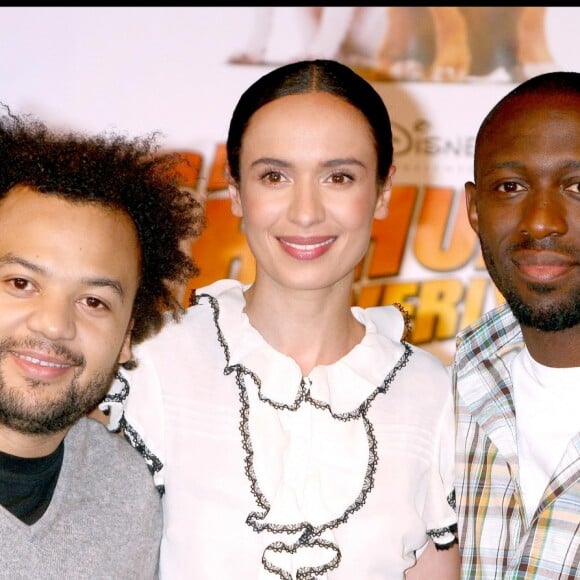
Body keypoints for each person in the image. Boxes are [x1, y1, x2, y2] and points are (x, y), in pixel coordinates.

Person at [104, 59, 459, 579]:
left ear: (383, 191)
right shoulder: (148, 362)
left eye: (339, 177)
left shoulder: (433, 396)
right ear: (235, 189)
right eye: (274, 175)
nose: (306, 212)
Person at [0, 105, 204, 577]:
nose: (54, 325)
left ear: (128, 334)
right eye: (21, 283)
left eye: (93, 301)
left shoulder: (128, 495)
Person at [453, 71, 580, 578]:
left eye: (579, 186)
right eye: (511, 186)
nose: (543, 220)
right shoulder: (448, 391)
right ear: (474, 209)